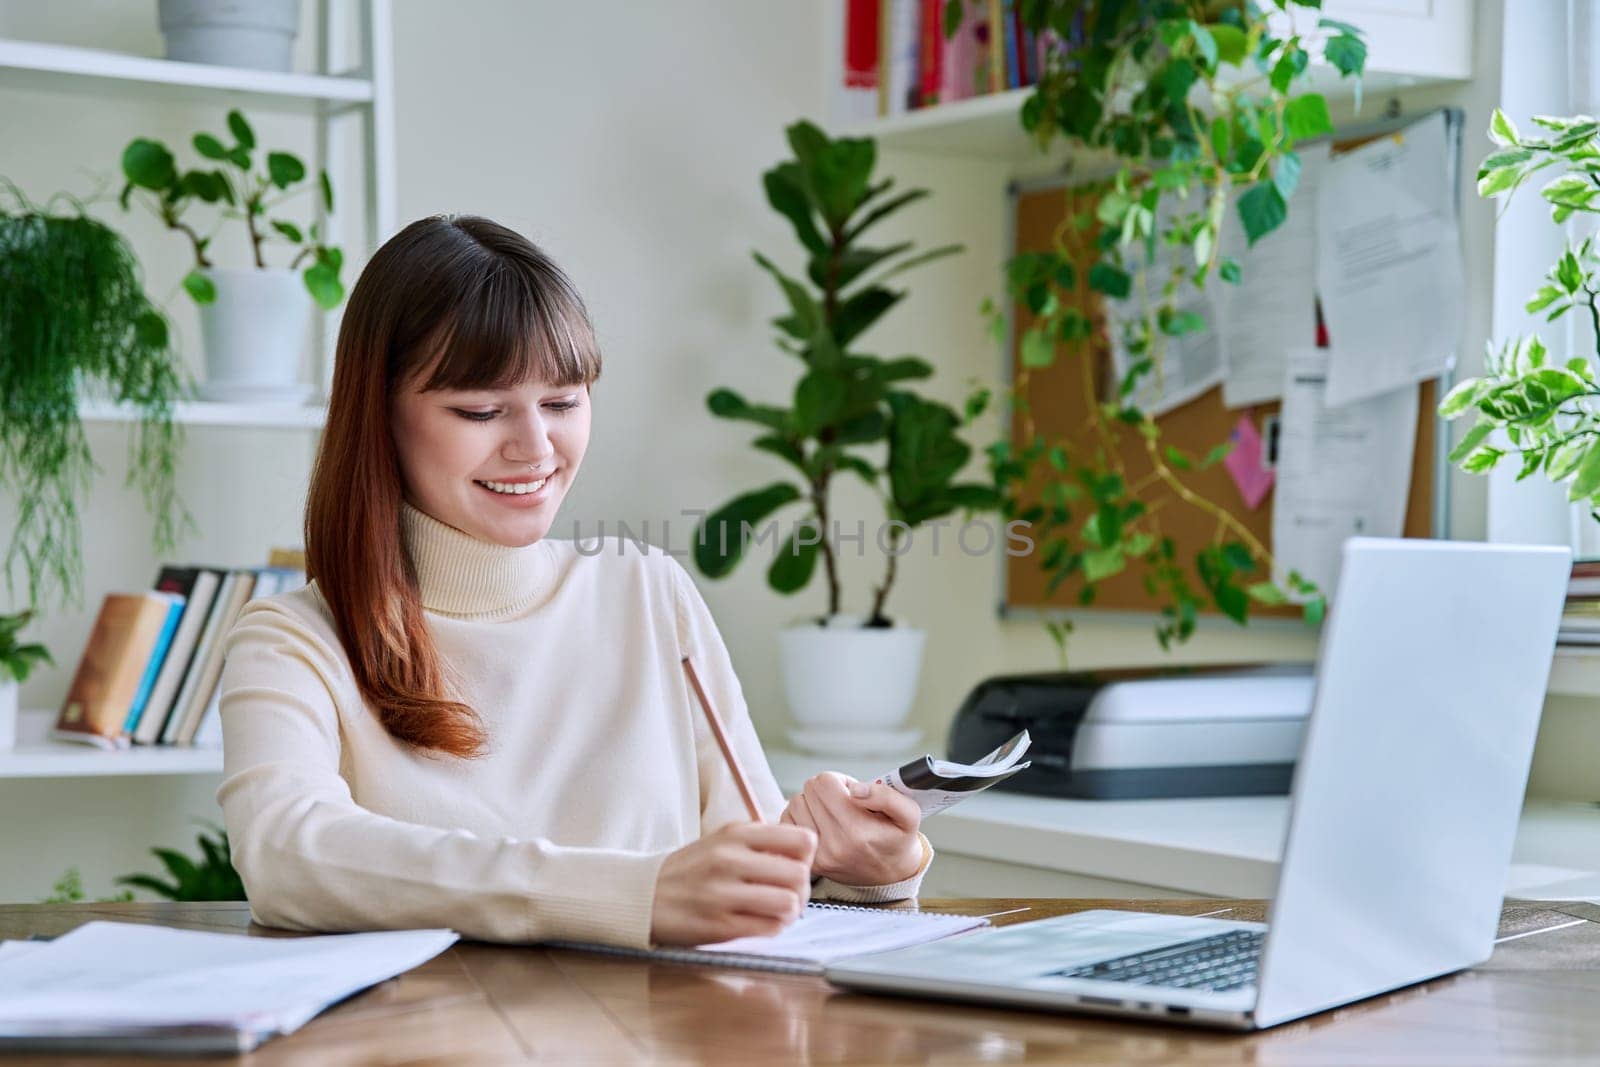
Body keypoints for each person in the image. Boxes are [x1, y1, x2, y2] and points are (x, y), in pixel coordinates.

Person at [216, 214, 931, 949]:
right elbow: (285, 853)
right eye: (481, 409)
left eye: (563, 401)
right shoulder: (293, 640)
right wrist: (632, 895)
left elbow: (749, 860)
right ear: (380, 417)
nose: (535, 447)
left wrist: (865, 866)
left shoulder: (647, 590)